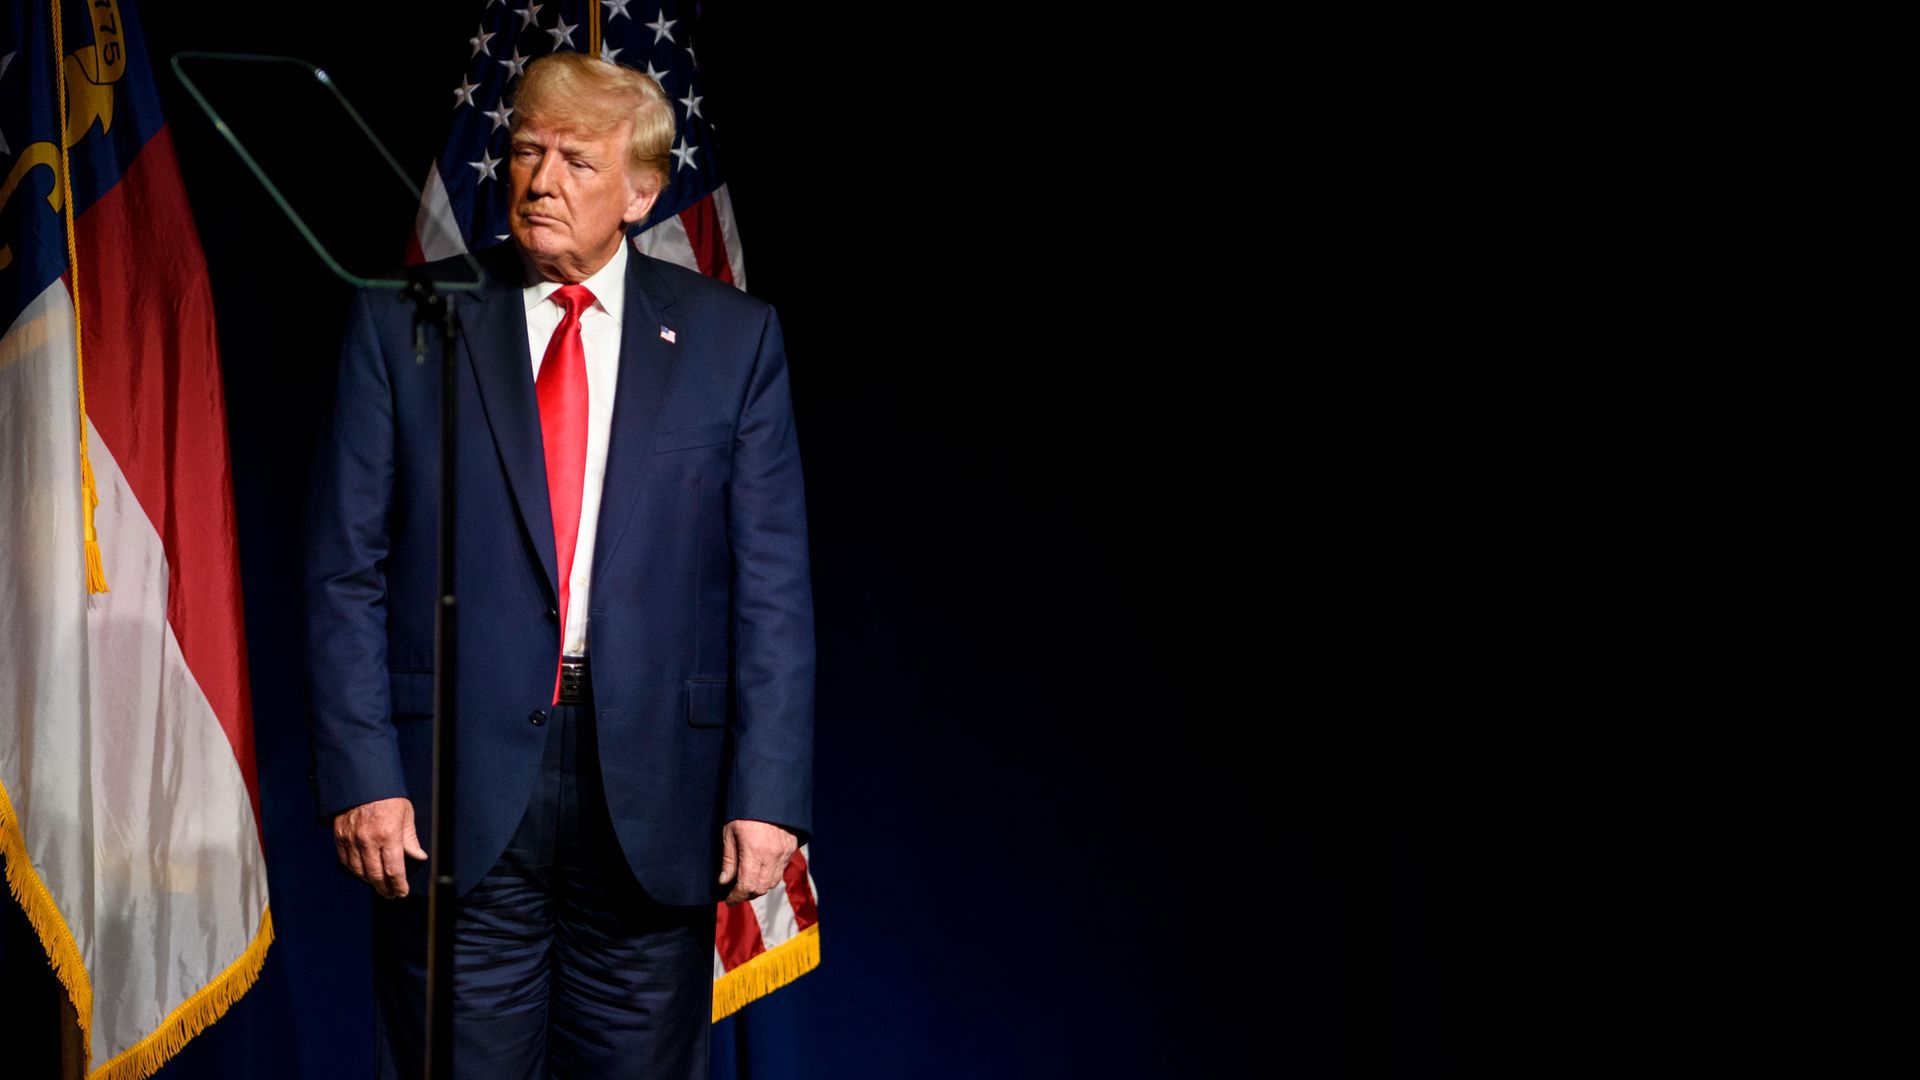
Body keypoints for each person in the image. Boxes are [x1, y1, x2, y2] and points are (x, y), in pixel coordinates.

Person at [306, 52, 814, 1080]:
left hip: (653, 798)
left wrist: (768, 793)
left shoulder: (732, 341)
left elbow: (771, 588)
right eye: (527, 150)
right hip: (452, 797)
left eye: (577, 160)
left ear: (641, 192)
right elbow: (343, 571)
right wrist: (364, 772)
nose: (540, 180)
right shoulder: (403, 321)